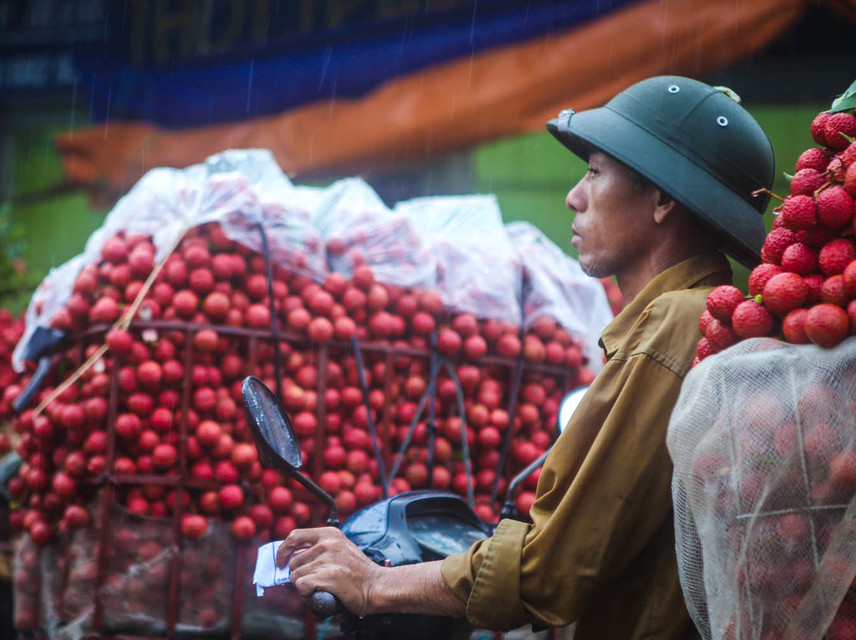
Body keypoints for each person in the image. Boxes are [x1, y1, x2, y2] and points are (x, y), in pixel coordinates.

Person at [276, 76, 775, 639]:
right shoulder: (696, 318)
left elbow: (553, 570)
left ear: (662, 198)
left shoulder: (681, 322)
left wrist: (373, 584)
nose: (574, 195)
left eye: (594, 171)